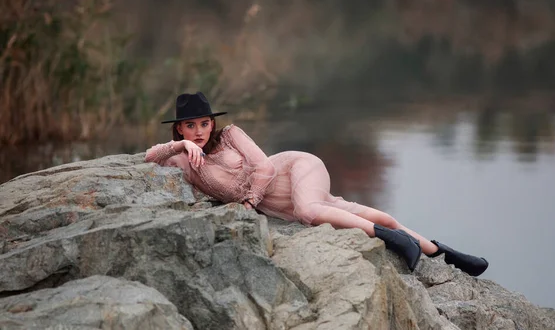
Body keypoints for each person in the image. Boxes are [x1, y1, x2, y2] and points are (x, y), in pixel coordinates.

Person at [145, 92, 489, 276]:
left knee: (311, 209)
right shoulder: (182, 159)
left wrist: (249, 202)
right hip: (286, 204)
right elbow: (146, 158)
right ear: (179, 128)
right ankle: (445, 253)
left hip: (295, 169)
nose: (200, 131)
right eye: (191, 127)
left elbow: (265, 166)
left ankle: (393, 240)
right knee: (357, 212)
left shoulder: (232, 135)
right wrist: (180, 147)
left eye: (204, 124)